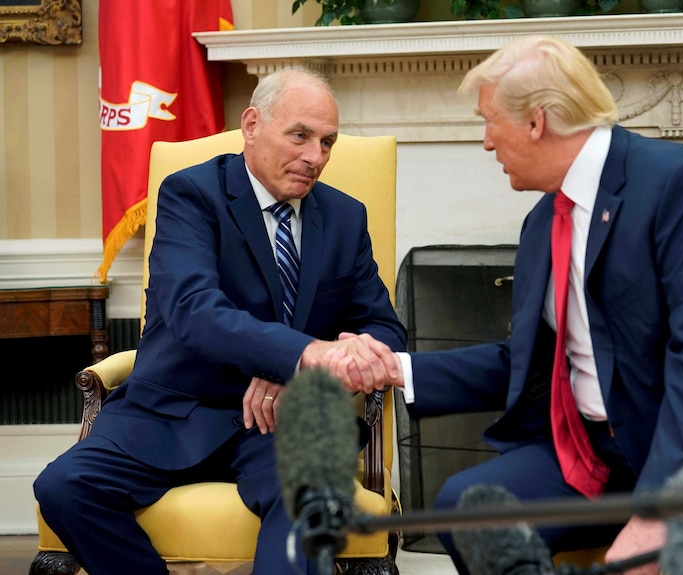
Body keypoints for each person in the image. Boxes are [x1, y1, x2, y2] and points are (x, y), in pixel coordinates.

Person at [331, 35, 683, 574]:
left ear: (537, 121)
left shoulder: (680, 184)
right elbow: (529, 361)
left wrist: (659, 511)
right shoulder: (544, 222)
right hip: (609, 457)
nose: (486, 142)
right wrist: (394, 367)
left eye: (489, 121)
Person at [34, 67, 406, 575]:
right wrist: (299, 354)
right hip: (174, 410)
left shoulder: (344, 217)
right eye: (300, 135)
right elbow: (194, 313)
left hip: (287, 423)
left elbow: (384, 330)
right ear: (252, 124)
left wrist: (308, 373)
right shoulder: (191, 194)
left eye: (327, 142)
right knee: (64, 487)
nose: (315, 157)